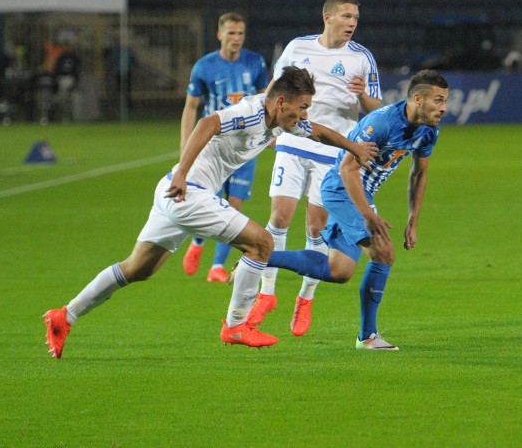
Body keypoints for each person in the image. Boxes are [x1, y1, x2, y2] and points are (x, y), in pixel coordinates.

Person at [43, 66, 378, 359]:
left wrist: (354, 147)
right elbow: (206, 124)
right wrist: (182, 173)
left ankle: (65, 316)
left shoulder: (280, 123)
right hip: (188, 192)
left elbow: (318, 131)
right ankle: (235, 325)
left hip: (174, 195)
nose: (304, 114)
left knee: (137, 269)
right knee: (262, 242)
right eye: (302, 107)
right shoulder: (250, 112)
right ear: (280, 102)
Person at [263, 69, 449, 350]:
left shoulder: (429, 130)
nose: (443, 108)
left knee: (339, 271)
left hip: (362, 194)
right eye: (438, 100)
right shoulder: (381, 122)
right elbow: (347, 169)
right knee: (384, 253)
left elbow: (419, 174)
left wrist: (413, 220)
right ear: (418, 98)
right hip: (342, 189)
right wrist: (368, 214)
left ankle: (261, 256)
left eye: (445, 100)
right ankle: (367, 337)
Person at [247, 0, 383, 336]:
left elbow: (376, 109)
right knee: (278, 216)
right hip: (293, 142)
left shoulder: (362, 58)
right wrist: (267, 128)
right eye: (346, 16)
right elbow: (273, 90)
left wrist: (362, 96)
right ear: (328, 17)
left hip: (332, 151)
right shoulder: (297, 48)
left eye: (355, 17)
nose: (351, 23)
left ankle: (305, 298)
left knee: (315, 227)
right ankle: (266, 293)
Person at [180, 12, 269, 282]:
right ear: (219, 35)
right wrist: (186, 147)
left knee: (235, 203)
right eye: (231, 33)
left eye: (240, 33)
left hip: (244, 144)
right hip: (213, 144)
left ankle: (216, 266)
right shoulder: (204, 66)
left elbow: (266, 99)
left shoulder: (255, 62)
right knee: (210, 200)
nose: (236, 39)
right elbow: (191, 107)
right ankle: (197, 243)